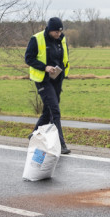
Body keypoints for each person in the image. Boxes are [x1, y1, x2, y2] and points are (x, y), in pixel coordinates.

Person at [25, 17, 71, 154]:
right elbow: (28, 58)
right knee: (55, 111)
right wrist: (45, 67)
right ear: (50, 30)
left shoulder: (62, 39)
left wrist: (61, 71)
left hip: (57, 79)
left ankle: (33, 135)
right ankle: (61, 144)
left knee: (48, 111)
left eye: (60, 31)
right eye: (56, 32)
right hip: (43, 80)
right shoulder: (37, 39)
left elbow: (64, 58)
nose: (58, 34)